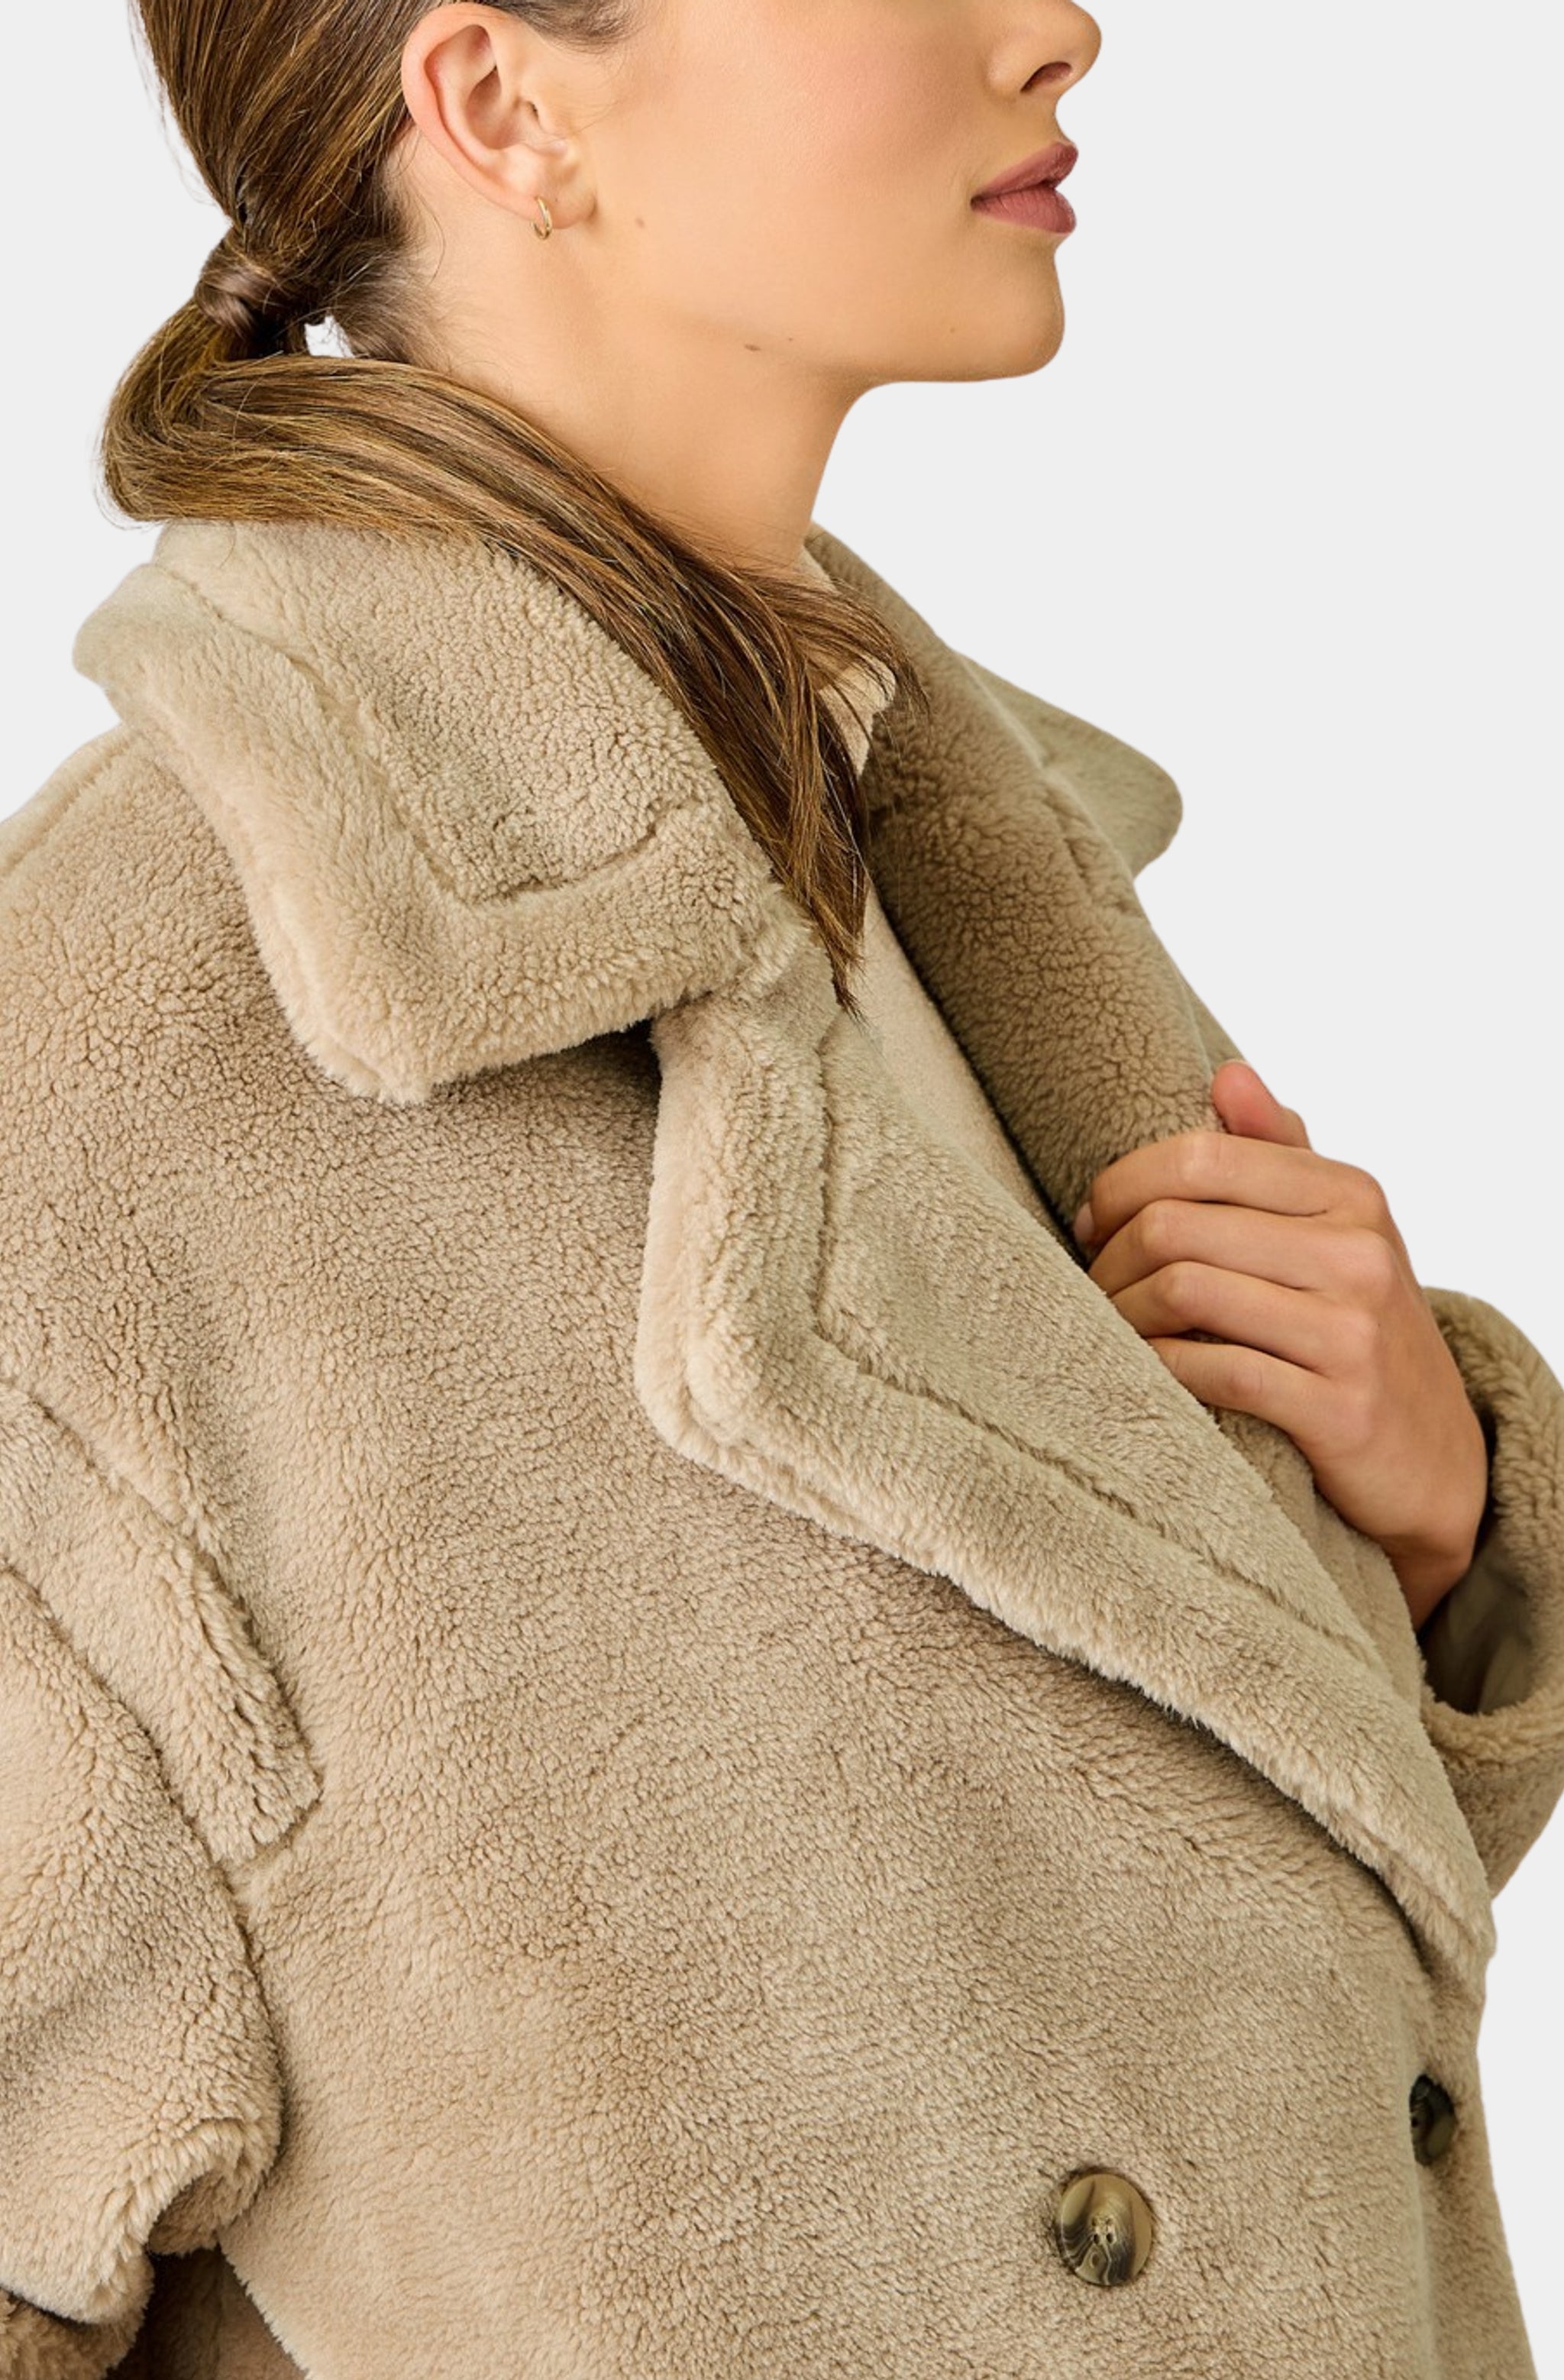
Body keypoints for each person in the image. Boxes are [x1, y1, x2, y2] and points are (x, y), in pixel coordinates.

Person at [2, 0, 1559, 2372]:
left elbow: (1135, 1980)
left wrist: (1429, 1546)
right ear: (503, 102)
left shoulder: (929, 856)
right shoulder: (111, 1064)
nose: (1056, 30)